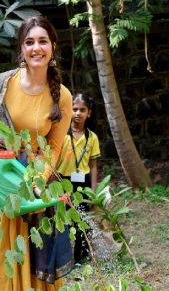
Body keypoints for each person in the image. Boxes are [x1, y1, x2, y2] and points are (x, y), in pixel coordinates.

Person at [0, 15, 73, 291]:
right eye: (29, 42)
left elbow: (56, 146)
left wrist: (36, 181)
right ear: (21, 48)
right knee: (3, 259)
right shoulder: (2, 84)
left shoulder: (62, 95)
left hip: (35, 180)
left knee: (35, 254)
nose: (36, 48)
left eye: (42, 41)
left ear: (53, 46)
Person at [57, 93, 101, 265]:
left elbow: (93, 166)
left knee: (81, 219)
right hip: (62, 181)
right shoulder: (62, 135)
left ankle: (80, 256)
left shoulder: (92, 138)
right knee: (64, 219)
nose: (78, 113)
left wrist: (94, 190)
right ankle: (64, 257)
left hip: (82, 182)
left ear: (89, 113)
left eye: (82, 110)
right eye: (74, 109)